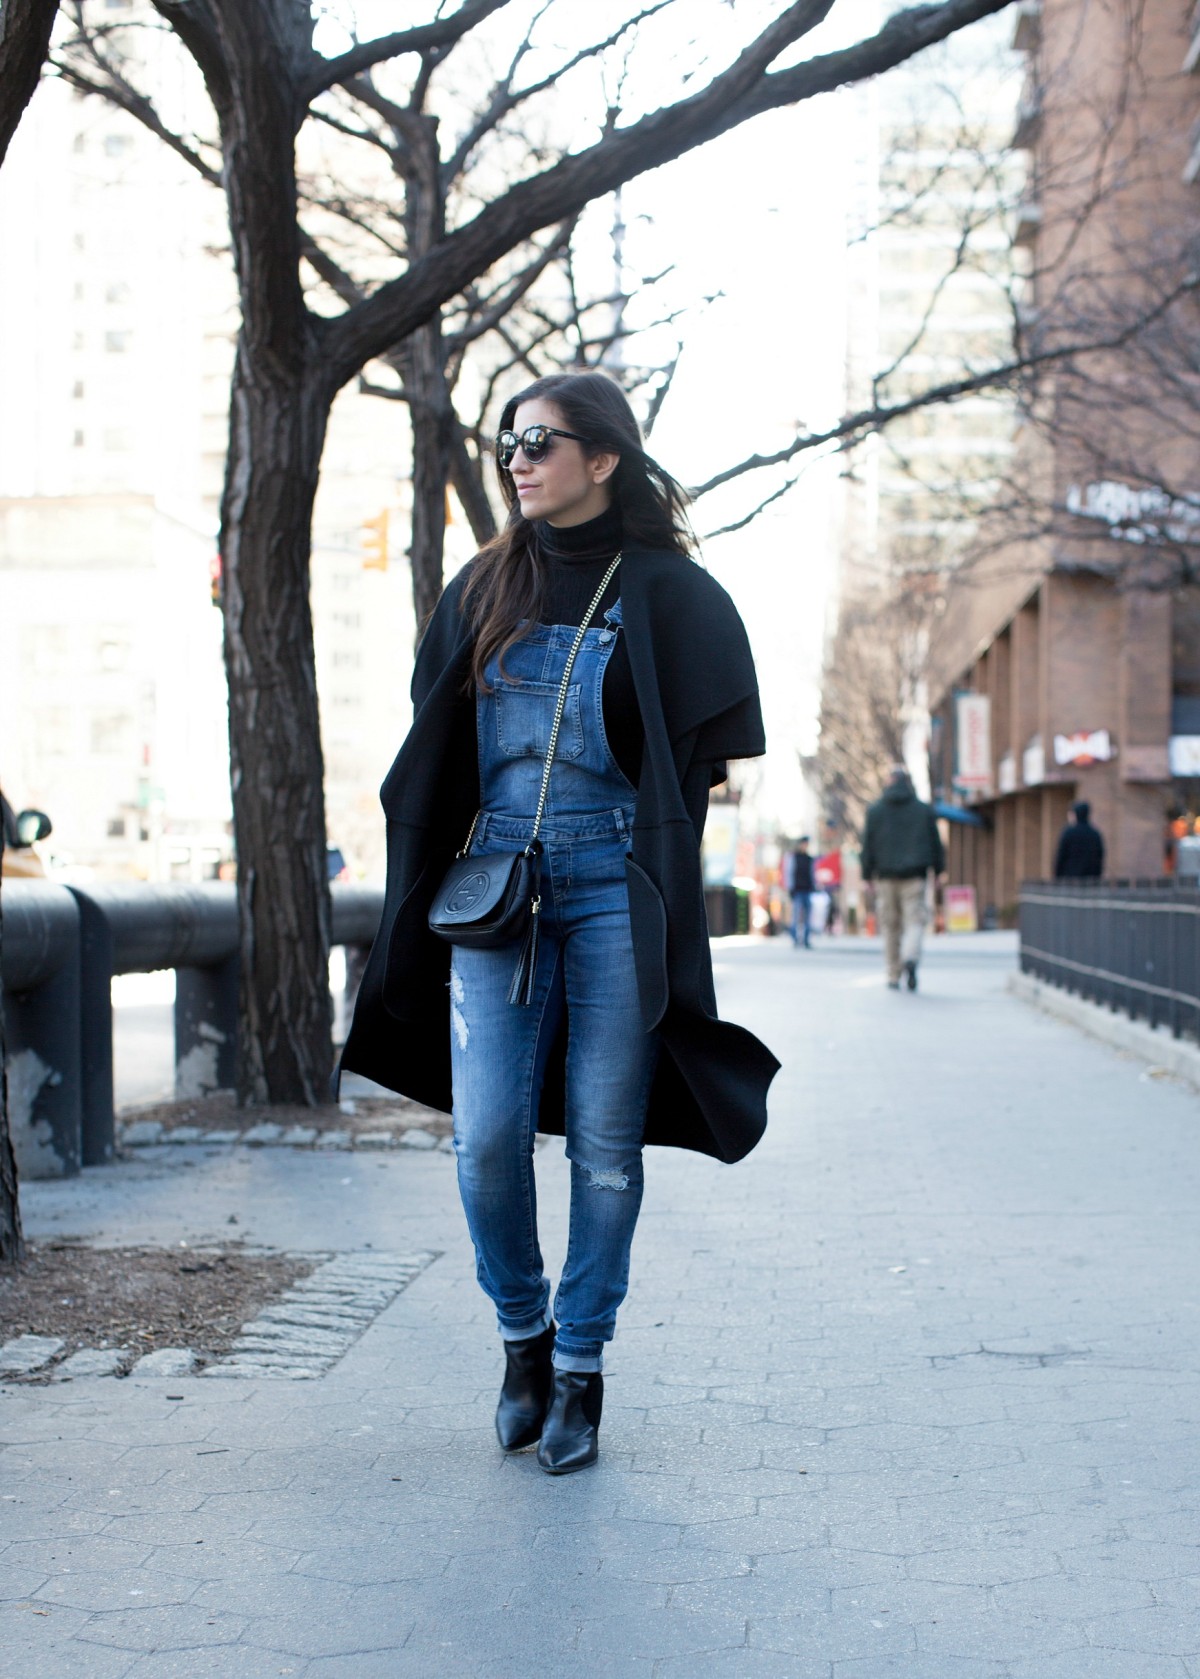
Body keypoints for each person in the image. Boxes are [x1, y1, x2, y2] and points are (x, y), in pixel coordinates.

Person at [339, 371, 779, 1476]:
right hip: (493, 894)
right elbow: (430, 756)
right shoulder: (482, 586)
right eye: (508, 445)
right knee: (486, 1139)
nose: (519, 461)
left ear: (605, 459)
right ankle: (522, 1339)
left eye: (541, 441)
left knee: (605, 1148)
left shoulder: (673, 595)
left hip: (611, 889)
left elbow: (694, 773)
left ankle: (581, 1365)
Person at [860, 763, 945, 991]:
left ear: (889, 781)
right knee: (915, 920)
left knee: (890, 925)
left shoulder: (875, 810)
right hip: (915, 876)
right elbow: (936, 843)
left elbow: (867, 845)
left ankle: (893, 973)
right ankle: (910, 956)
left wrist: (867, 874)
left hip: (885, 877)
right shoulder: (923, 810)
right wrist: (938, 871)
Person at [1054, 799, 1105, 879]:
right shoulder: (1095, 834)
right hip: (1091, 881)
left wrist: (1057, 877)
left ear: (1075, 814)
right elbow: (1100, 857)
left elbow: (1061, 857)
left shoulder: (1068, 833)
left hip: (1069, 880)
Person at [787, 837, 816, 947]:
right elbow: (789, 873)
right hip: (797, 890)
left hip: (807, 890)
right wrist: (790, 887)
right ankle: (795, 938)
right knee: (795, 915)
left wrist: (813, 886)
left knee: (808, 916)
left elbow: (812, 874)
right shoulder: (794, 857)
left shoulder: (809, 859)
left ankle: (806, 939)